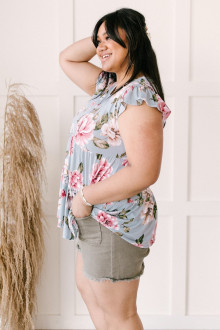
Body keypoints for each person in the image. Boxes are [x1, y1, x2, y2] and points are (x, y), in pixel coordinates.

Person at [57, 7, 171, 330]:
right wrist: (104, 43)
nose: (101, 44)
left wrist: (86, 197)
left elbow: (145, 171)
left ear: (132, 41)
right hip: (94, 215)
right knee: (90, 293)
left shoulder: (138, 97)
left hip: (114, 219)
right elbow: (67, 59)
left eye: (111, 38)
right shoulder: (110, 86)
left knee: (119, 315)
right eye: (99, 37)